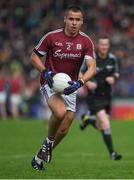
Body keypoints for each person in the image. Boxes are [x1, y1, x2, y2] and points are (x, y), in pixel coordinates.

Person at [30, 5, 96, 171]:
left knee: (65, 127)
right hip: (50, 83)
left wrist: (80, 83)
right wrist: (45, 72)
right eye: (71, 19)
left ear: (82, 22)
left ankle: (38, 157)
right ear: (65, 19)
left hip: (70, 86)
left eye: (78, 19)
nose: (74, 22)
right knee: (59, 112)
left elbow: (92, 67)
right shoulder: (51, 37)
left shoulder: (86, 41)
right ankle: (48, 143)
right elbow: (34, 57)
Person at [80, 36, 122, 160]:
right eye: (102, 44)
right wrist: (87, 83)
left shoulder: (113, 59)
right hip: (94, 96)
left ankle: (88, 120)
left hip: (107, 96)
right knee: (106, 123)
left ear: (108, 46)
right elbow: (80, 73)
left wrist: (113, 78)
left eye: (106, 45)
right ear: (98, 45)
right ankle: (113, 153)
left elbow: (117, 73)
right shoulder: (91, 59)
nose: (104, 47)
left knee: (100, 126)